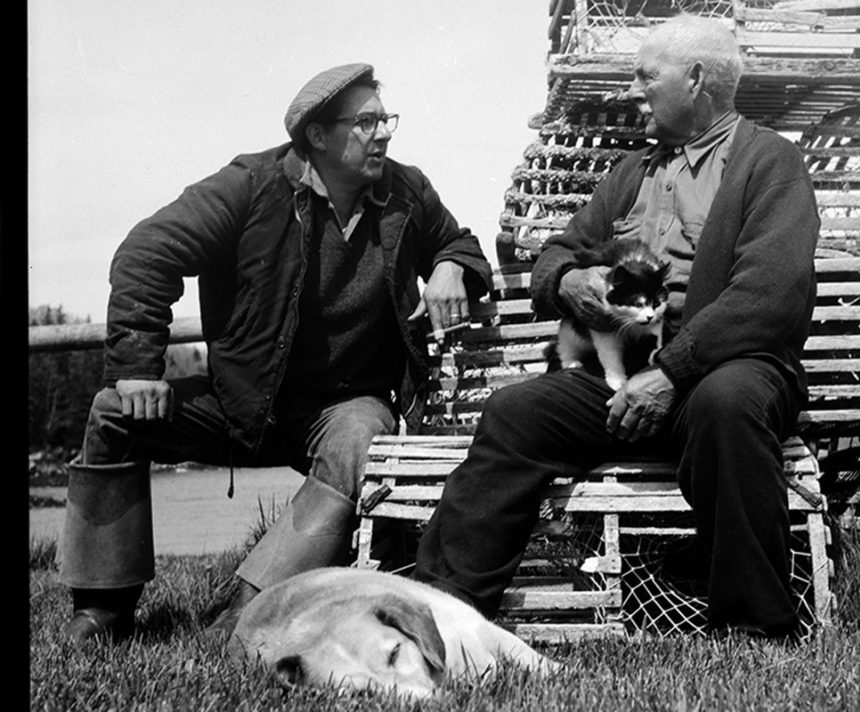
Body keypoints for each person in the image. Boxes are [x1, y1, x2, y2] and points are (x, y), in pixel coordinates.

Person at [413, 13, 820, 640]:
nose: (632, 91)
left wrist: (671, 374)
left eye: (644, 76)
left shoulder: (769, 161)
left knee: (729, 405)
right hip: (623, 378)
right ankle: (440, 618)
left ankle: (754, 629)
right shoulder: (632, 172)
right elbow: (559, 251)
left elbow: (769, 297)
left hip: (726, 371)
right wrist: (568, 283)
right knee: (514, 412)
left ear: (696, 79)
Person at [60, 63, 493, 646]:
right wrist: (138, 368)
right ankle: (102, 610)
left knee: (360, 439)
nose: (384, 134)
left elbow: (459, 242)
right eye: (366, 122)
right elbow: (146, 253)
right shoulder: (250, 186)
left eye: (385, 119)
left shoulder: (405, 191)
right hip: (241, 401)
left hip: (342, 406)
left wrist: (450, 265)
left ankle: (245, 618)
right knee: (113, 412)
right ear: (316, 135)